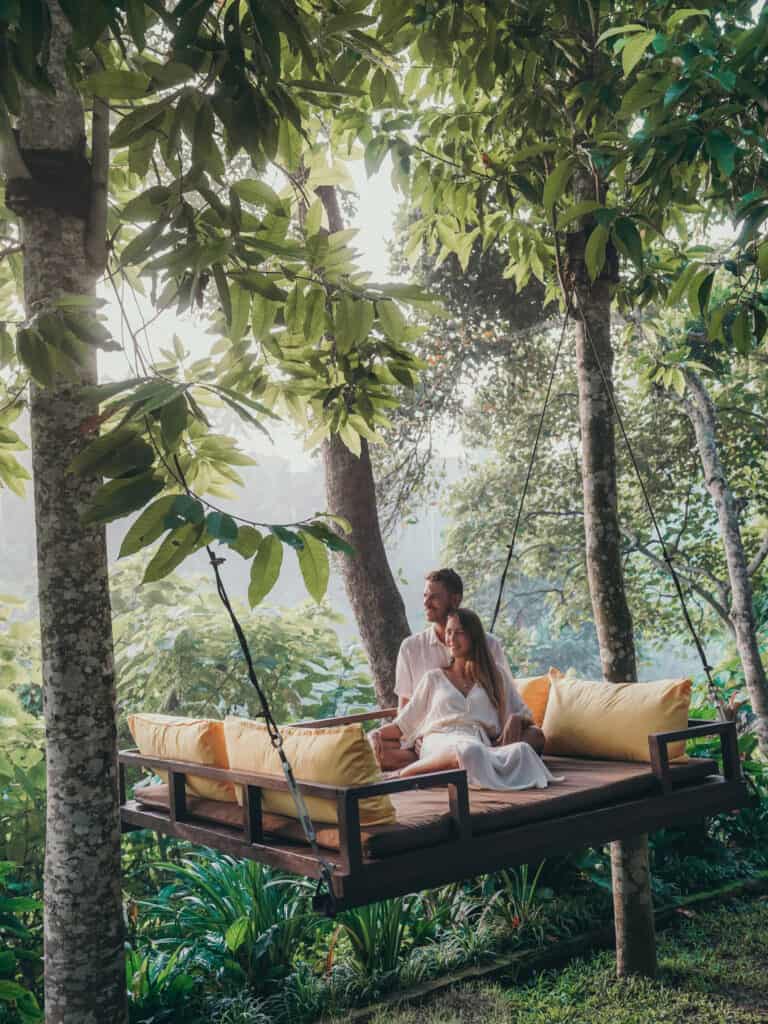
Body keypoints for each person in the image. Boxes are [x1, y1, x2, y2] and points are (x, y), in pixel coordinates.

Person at [371, 568, 543, 770]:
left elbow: (505, 701)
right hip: (428, 737)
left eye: (434, 597)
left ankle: (460, 763)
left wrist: (514, 721)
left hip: (481, 736)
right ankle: (449, 762)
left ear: (454, 600)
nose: (426, 603)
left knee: (534, 737)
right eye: (425, 596)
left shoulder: (490, 649)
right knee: (374, 749)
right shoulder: (413, 650)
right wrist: (415, 736)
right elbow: (405, 714)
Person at [371, 608, 560, 790]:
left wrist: (516, 718)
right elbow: (402, 725)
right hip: (440, 741)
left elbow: (528, 717)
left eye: (459, 632)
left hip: (480, 743)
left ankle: (465, 769)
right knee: (470, 751)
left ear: (473, 636)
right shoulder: (434, 678)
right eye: (449, 632)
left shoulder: (496, 676)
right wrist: (376, 734)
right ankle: (405, 774)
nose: (451, 639)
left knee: (522, 750)